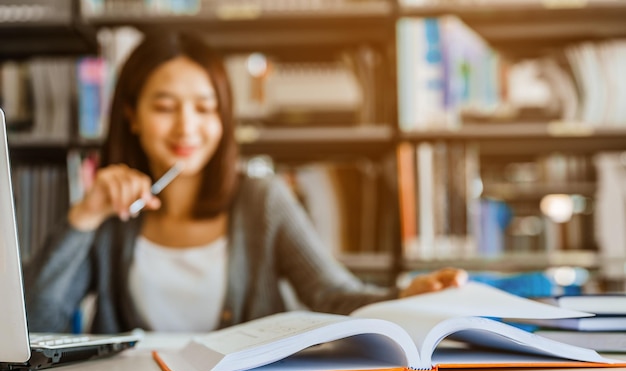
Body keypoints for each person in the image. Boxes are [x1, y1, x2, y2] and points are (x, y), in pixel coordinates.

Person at [24, 31, 467, 334]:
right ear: (131, 116)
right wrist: (85, 216)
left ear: (224, 118)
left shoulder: (261, 199)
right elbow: (36, 323)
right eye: (165, 107)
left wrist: (402, 295)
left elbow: (332, 295)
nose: (187, 127)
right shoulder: (111, 213)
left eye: (205, 108)